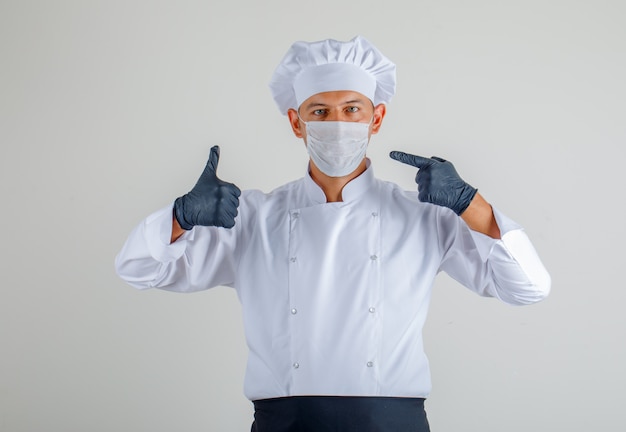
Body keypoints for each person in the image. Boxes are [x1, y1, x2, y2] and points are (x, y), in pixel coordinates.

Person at [115, 36, 550, 431]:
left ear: (376, 118)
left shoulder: (425, 217)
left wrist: (469, 203)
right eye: (319, 112)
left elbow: (529, 288)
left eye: (352, 109)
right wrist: (182, 215)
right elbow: (137, 270)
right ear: (296, 122)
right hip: (284, 424)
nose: (337, 123)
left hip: (392, 424)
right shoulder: (252, 218)